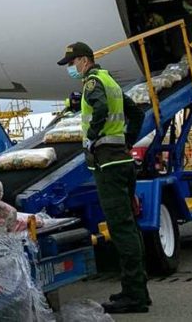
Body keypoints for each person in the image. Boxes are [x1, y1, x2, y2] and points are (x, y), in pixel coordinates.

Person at [58, 42, 150, 314]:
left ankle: (134, 297)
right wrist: (126, 141)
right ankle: (137, 290)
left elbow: (98, 110)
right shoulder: (109, 81)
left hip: (108, 164)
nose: (72, 69)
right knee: (129, 227)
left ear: (84, 60)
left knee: (121, 230)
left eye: (72, 63)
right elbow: (136, 113)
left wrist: (92, 138)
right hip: (121, 159)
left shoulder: (92, 84)